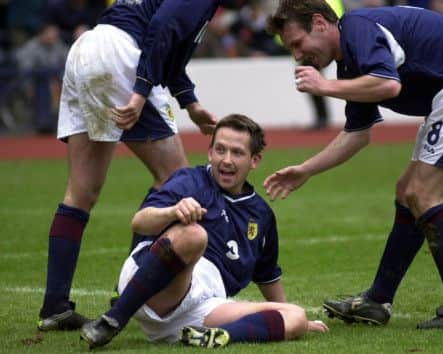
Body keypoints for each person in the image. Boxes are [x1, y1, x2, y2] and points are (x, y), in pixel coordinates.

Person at [264, 0, 443, 329]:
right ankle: (377, 301)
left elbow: (389, 84)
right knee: (407, 192)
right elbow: (357, 136)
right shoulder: (350, 62)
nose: (297, 55)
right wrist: (306, 169)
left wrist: (324, 86)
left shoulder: (357, 29)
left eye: (297, 43)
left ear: (320, 22)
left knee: (423, 193)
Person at [37, 0, 251, 331]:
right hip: (122, 53)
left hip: (87, 49)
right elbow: (161, 29)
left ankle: (55, 306)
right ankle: (130, 294)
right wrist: (138, 94)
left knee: (81, 191)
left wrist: (190, 104)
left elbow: (167, 52)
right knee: (177, 178)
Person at [79, 114, 328, 349]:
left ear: (255, 160)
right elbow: (140, 222)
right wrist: (173, 211)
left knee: (296, 315)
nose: (226, 160)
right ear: (210, 152)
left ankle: (218, 336)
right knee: (194, 235)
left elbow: (267, 275)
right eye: (220, 150)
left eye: (237, 153)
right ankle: (113, 319)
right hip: (158, 280)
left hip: (203, 305)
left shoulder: (261, 214)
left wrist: (287, 318)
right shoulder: (190, 180)